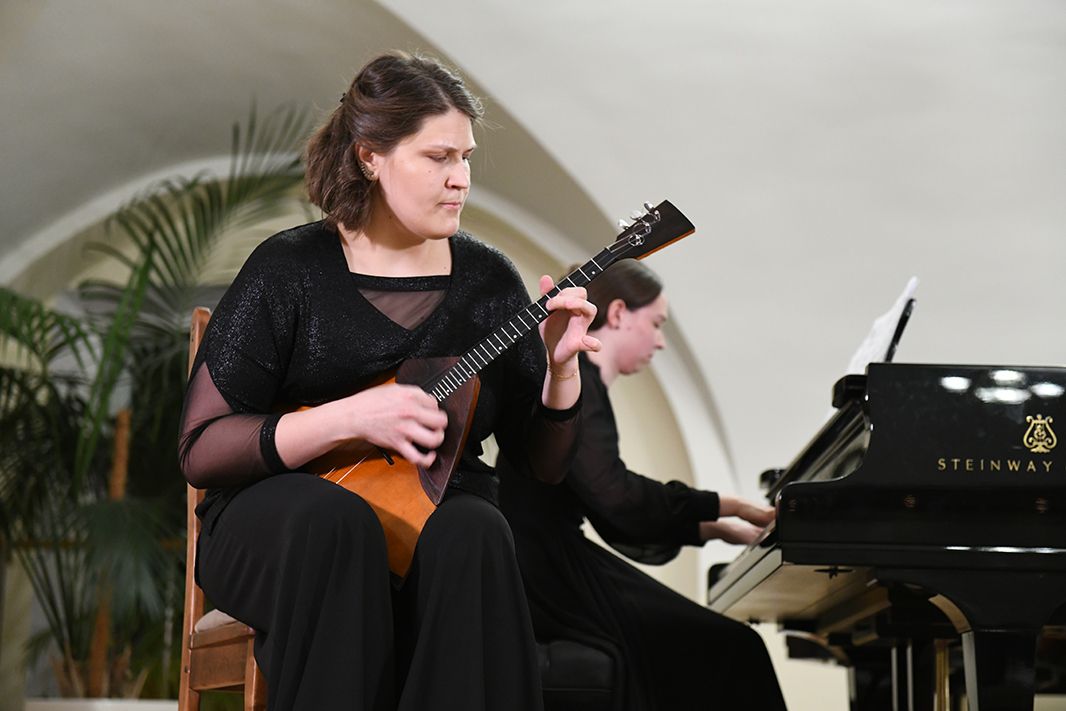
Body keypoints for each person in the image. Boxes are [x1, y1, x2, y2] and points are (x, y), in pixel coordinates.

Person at [178, 51, 598, 711]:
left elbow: (541, 465)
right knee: (336, 523)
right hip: (282, 516)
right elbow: (202, 447)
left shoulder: (488, 278)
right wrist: (351, 417)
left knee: (478, 534)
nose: (461, 178)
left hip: (431, 502)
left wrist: (562, 370)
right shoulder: (290, 266)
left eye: (466, 157)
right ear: (370, 156)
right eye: (439, 157)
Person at [498, 259, 788, 711]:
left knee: (721, 647)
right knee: (736, 647)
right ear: (617, 314)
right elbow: (615, 496)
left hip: (545, 563)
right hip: (543, 574)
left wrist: (710, 527)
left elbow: (613, 506)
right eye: (656, 323)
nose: (661, 341)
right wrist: (724, 505)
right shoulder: (577, 380)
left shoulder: (584, 382)